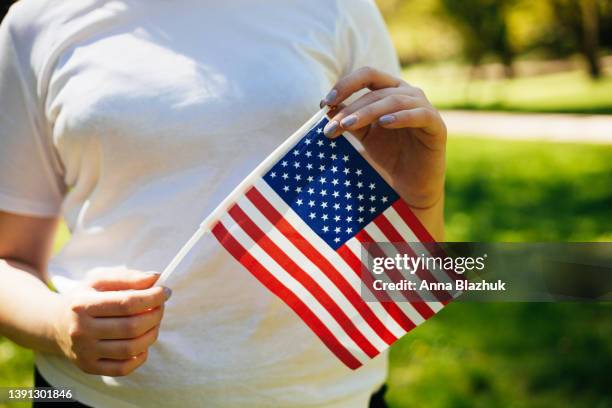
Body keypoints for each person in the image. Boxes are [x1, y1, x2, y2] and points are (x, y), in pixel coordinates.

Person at [0, 0, 446, 406]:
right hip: (97, 398)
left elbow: (407, 280)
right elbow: (8, 257)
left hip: (329, 397)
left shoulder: (338, 8)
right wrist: (57, 325)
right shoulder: (37, 21)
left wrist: (422, 200)